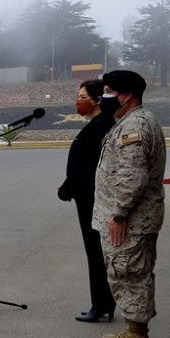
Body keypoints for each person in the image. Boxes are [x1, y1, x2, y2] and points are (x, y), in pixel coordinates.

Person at [90, 70, 166, 338]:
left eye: (109, 90)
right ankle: (134, 332)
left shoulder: (134, 126)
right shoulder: (128, 122)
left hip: (130, 220)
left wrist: (119, 214)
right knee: (125, 272)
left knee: (130, 272)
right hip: (128, 217)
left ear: (127, 95)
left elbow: (132, 176)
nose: (104, 96)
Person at [58, 80, 117, 323]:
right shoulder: (98, 124)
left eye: (82, 96)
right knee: (95, 251)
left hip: (92, 197)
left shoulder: (102, 125)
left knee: (95, 251)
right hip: (86, 195)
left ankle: (101, 303)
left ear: (96, 100)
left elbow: (88, 166)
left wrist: (67, 187)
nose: (78, 100)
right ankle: (103, 302)